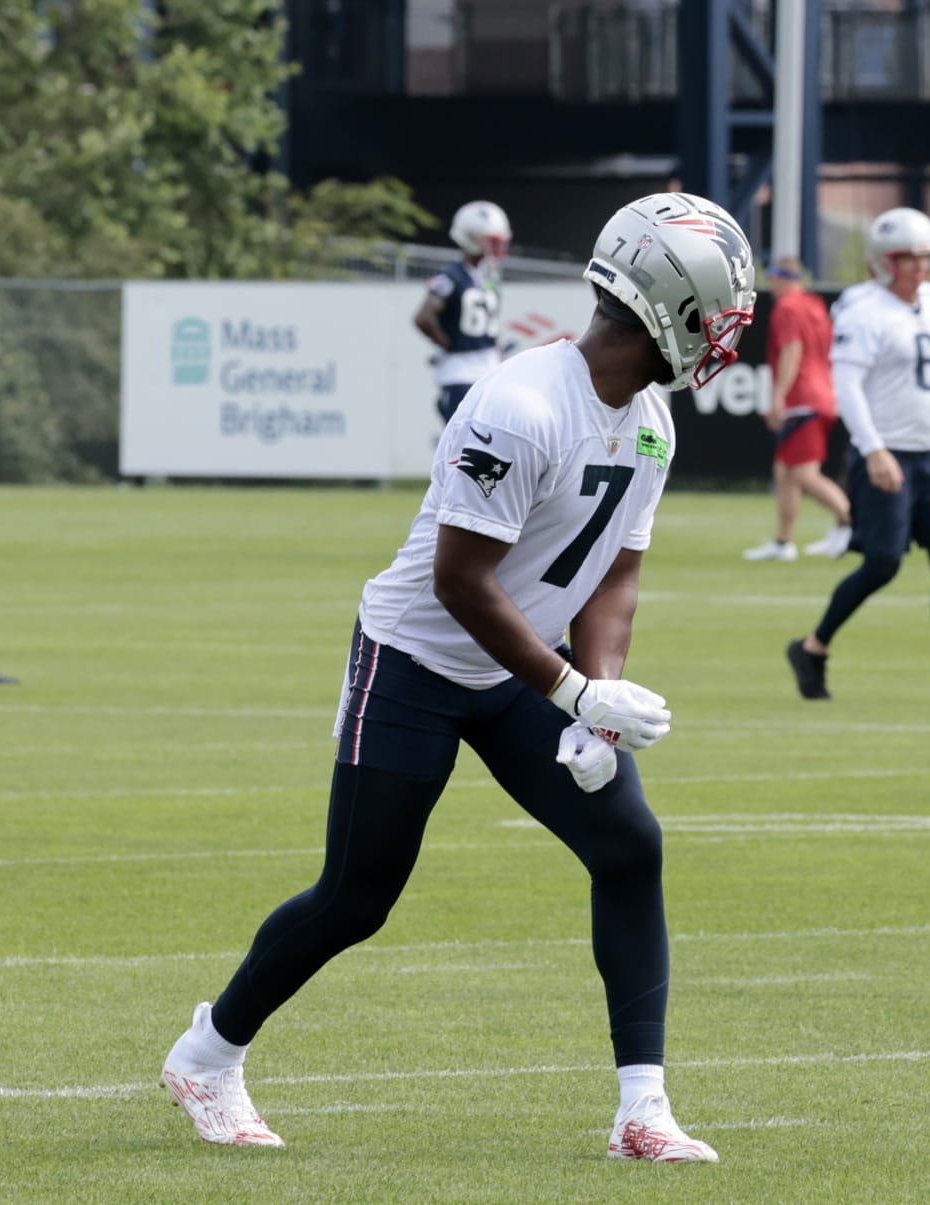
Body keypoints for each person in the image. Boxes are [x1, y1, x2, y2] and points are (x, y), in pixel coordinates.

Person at [160, 191, 759, 1161]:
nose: (730, 331)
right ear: (667, 307)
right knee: (359, 894)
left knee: (628, 845)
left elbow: (616, 569)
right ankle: (206, 1050)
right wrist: (571, 689)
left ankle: (642, 1109)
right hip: (419, 656)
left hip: (525, 668)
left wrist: (597, 703)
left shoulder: (650, 421)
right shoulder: (522, 405)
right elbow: (460, 579)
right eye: (719, 309)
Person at [785, 207, 930, 704]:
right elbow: (848, 386)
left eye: (925, 258)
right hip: (889, 452)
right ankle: (813, 648)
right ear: (882, 262)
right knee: (882, 563)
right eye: (907, 259)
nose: (918, 269)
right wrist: (874, 450)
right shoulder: (864, 309)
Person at [741, 257, 853, 562]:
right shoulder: (815, 305)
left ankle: (852, 525)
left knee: (804, 473)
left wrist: (778, 396)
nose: (771, 285)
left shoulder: (788, 307)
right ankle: (783, 542)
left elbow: (793, 350)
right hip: (821, 394)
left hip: (803, 398)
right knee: (785, 472)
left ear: (782, 278)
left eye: (773, 278)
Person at [415, 200, 512, 425]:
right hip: (460, 372)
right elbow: (423, 318)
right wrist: (448, 343)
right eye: (491, 240)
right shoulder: (452, 276)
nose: (497, 247)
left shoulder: (490, 277)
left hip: (488, 371)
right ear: (470, 237)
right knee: (461, 448)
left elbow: (492, 326)